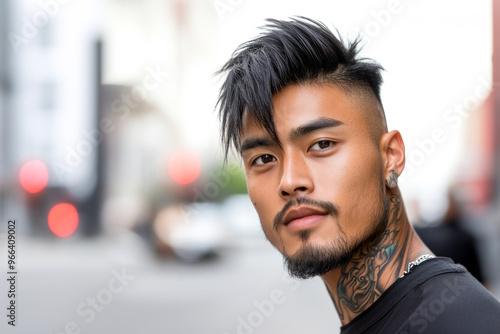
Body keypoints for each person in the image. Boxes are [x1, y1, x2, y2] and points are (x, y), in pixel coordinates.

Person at [216, 17, 500, 333]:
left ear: (391, 156)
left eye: (322, 144)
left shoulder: (462, 323)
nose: (290, 180)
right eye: (264, 158)